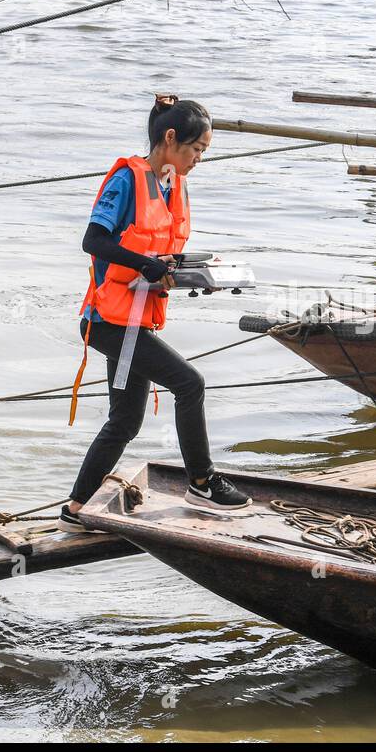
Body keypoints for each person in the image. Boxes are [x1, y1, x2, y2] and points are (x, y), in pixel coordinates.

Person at [59, 96, 251, 530]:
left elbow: (159, 256)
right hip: (107, 323)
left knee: (125, 420)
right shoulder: (127, 181)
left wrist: (187, 275)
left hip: (134, 320)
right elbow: (94, 241)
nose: (199, 158)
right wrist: (144, 264)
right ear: (169, 139)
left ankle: (74, 510)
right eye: (196, 149)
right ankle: (201, 481)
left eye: (204, 151)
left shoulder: (174, 186)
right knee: (190, 383)